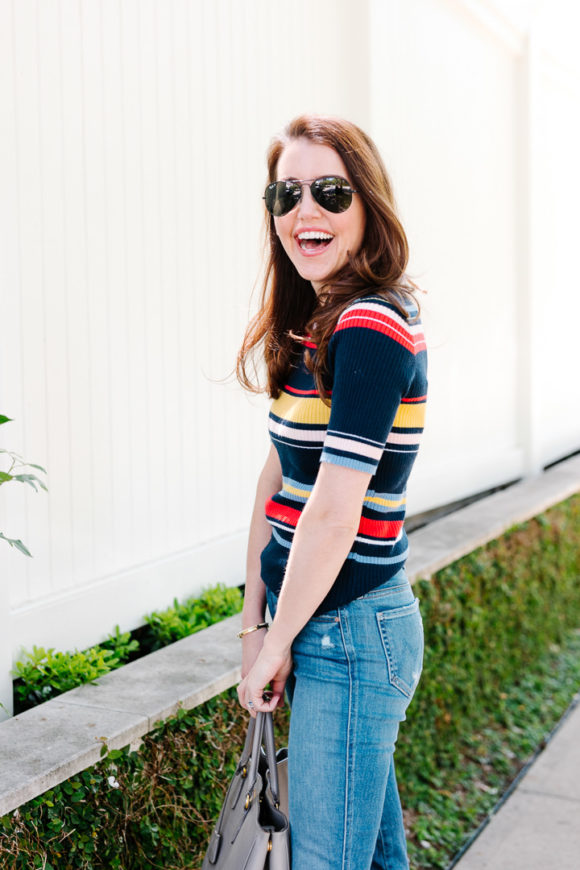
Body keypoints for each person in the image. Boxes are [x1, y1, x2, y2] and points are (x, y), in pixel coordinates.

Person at [235, 114, 427, 870]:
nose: (304, 210)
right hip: (319, 625)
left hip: (349, 632)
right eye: (286, 193)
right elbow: (279, 477)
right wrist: (254, 623)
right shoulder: (316, 322)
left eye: (329, 190)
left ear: (367, 205)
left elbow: (335, 509)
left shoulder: (372, 325)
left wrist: (275, 643)